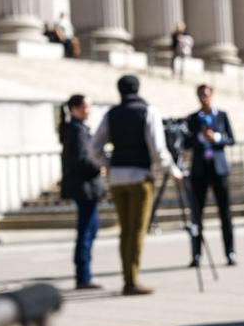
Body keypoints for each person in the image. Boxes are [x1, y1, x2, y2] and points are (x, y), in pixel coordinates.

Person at [92, 75, 182, 295]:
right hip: (140, 176)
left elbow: (94, 147)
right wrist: (173, 171)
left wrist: (109, 164)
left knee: (125, 231)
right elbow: (157, 148)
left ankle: (128, 277)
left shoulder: (112, 114)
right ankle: (131, 281)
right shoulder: (148, 111)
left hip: (117, 178)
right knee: (137, 231)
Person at [184, 84, 237, 266]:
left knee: (225, 214)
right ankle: (196, 254)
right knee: (197, 215)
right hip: (199, 170)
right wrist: (199, 138)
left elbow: (231, 139)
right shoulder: (192, 119)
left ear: (211, 95)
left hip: (219, 169)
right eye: (200, 95)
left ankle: (230, 252)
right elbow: (186, 142)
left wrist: (217, 138)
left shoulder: (221, 115)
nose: (203, 98)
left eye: (205, 94)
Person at [59, 94, 106, 290]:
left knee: (90, 228)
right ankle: (83, 275)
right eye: (85, 107)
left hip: (84, 186)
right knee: (87, 230)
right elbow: (78, 159)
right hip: (83, 186)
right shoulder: (76, 130)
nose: (88, 111)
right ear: (75, 109)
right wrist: (98, 167)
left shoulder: (77, 129)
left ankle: (84, 273)